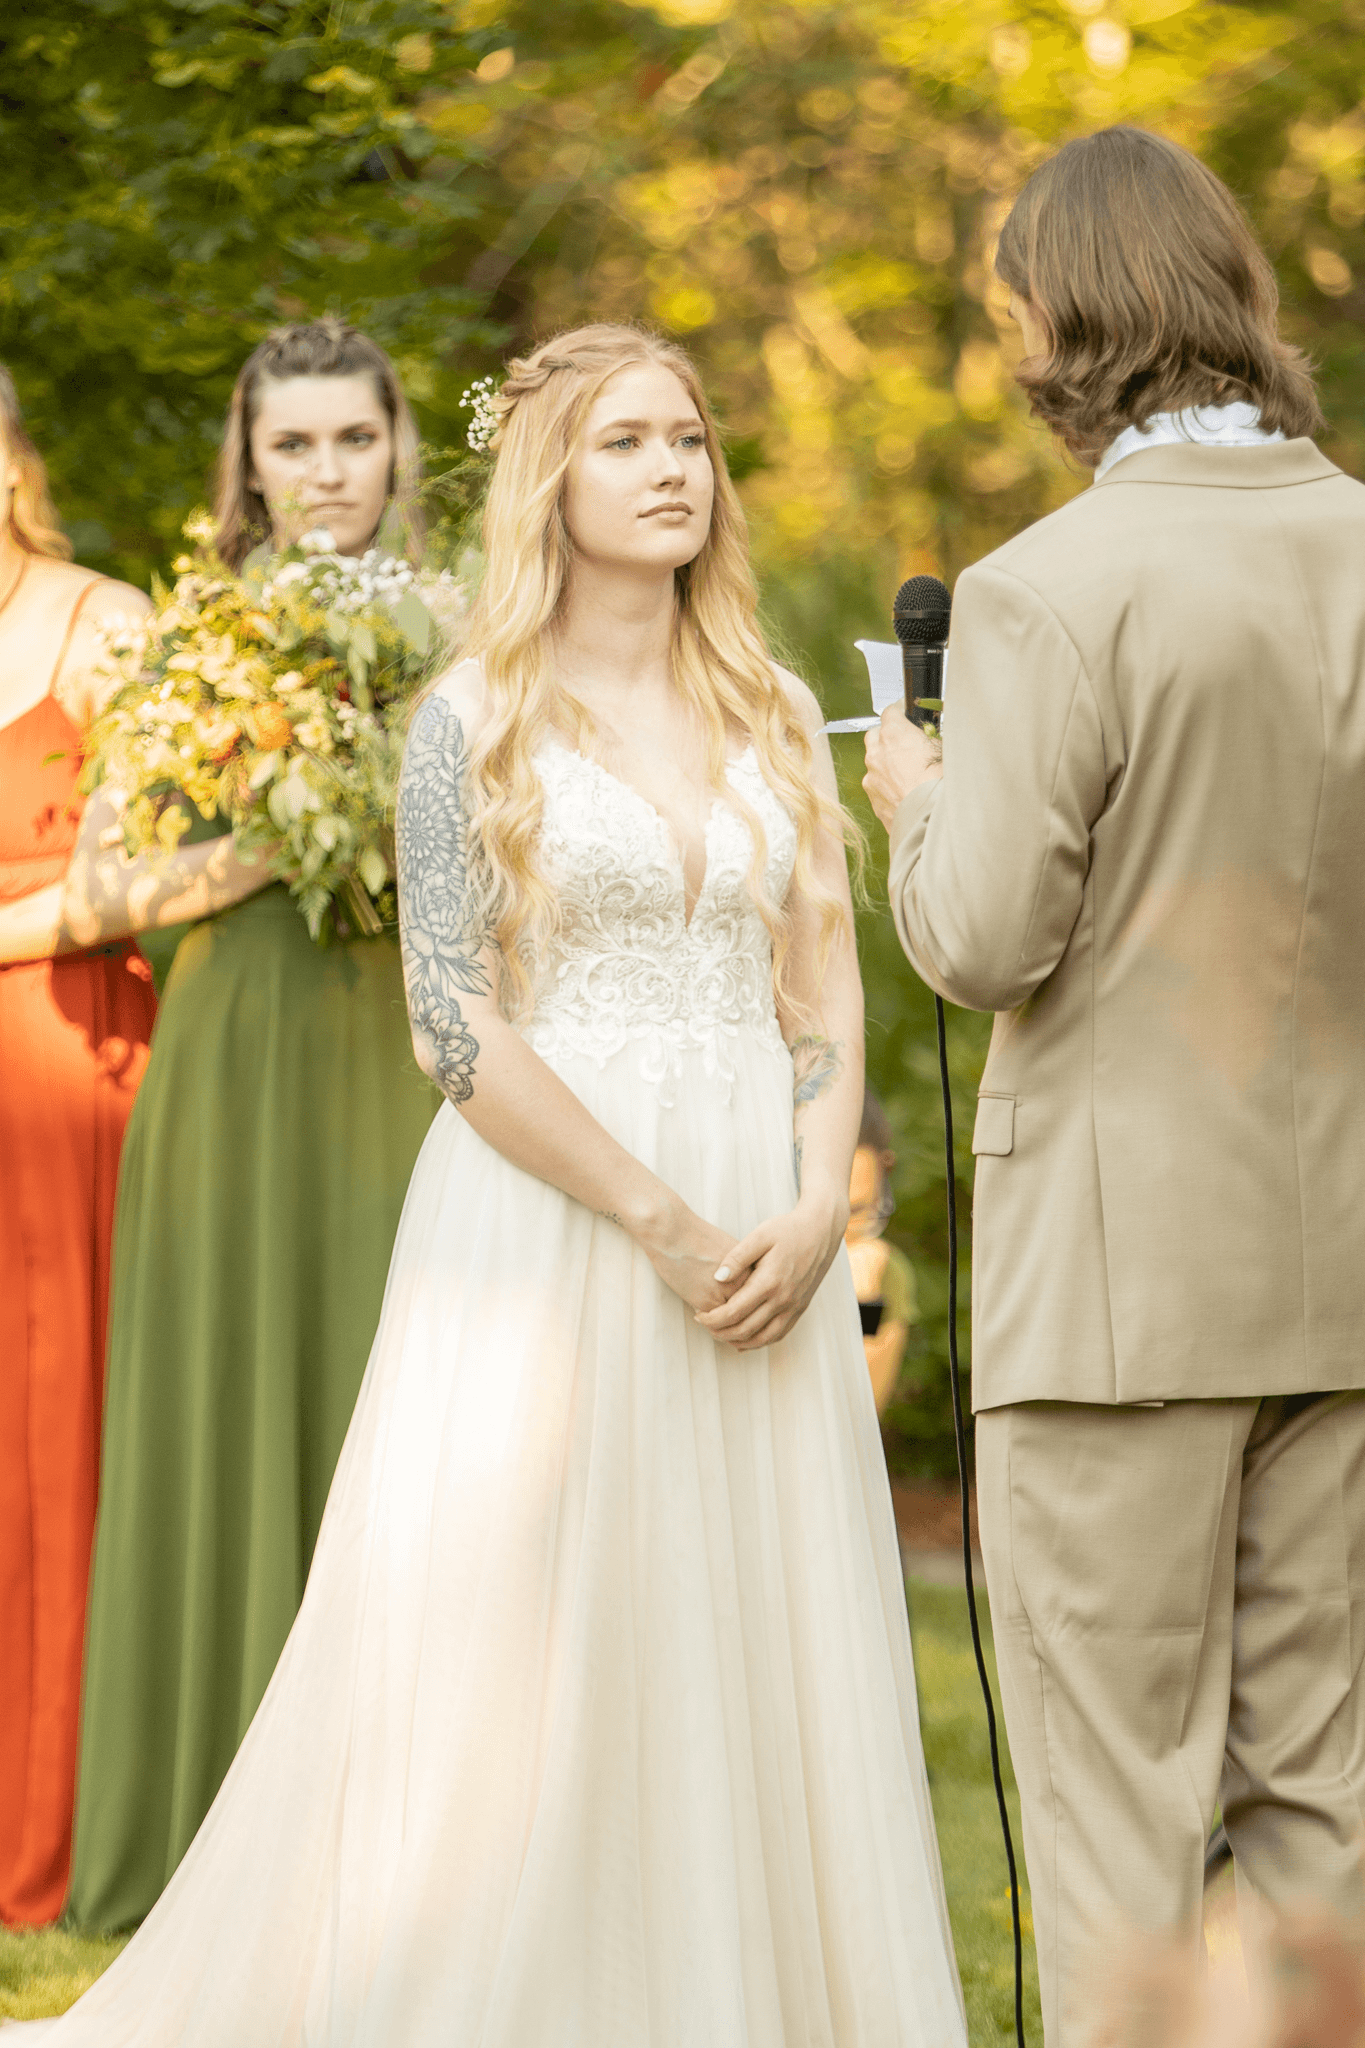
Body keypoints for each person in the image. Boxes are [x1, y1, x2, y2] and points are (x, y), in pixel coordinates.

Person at [15, 322, 968, 2044]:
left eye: (689, 437)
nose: (671, 469)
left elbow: (821, 986)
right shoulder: (470, 716)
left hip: (763, 1215)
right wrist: (658, 1219)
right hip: (554, 1220)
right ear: (550, 480)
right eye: (625, 442)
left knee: (754, 1635)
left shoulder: (768, 706)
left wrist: (812, 1202)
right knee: (538, 1642)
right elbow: (453, 1021)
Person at [863, 125, 1365, 2048]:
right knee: (1326, 1801)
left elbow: (983, 936)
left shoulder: (1048, 590)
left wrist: (916, 804)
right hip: (1339, 1282)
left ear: (1064, 318)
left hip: (1113, 1293)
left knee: (1115, 1818)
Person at [62, 321, 440, 1934]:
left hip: (407, 1065)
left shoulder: (465, 632)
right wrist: (272, 844)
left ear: (397, 447)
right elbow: (101, 891)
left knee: (391, 1413)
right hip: (230, 1064)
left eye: (354, 439)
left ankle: (407, 1843)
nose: (327, 473)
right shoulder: (186, 641)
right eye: (294, 445)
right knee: (236, 1404)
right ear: (251, 463)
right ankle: (208, 1823)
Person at [0, 370, 157, 1928]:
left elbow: (136, 880)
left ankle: (61, 1819)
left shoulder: (106, 626)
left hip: (65, 1064)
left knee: (63, 1437)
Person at [845, 1090, 919, 1411]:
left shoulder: (884, 1268)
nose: (839, 1234)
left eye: (857, 1212)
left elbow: (863, 1409)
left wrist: (864, 1305)